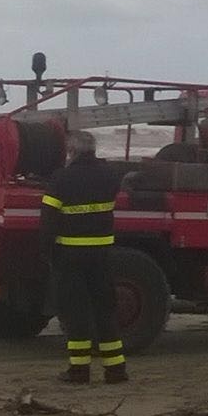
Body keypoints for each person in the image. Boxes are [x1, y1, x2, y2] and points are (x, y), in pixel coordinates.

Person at [42, 130, 127, 384]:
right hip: (102, 254)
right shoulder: (110, 177)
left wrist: (47, 252)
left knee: (75, 312)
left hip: (70, 255)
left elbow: (48, 221)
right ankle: (116, 369)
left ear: (71, 151)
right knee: (105, 309)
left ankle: (79, 370)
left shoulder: (61, 179)